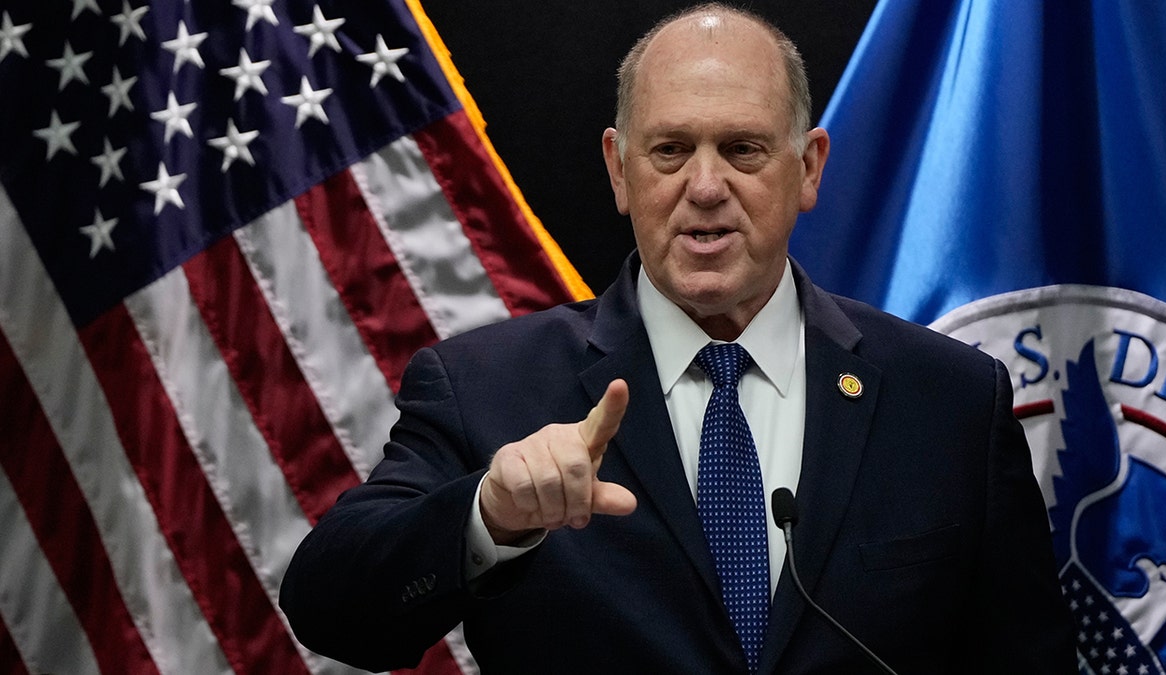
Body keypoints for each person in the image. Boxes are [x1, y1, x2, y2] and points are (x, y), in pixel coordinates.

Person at [280, 4, 1077, 672]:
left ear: (808, 168)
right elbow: (329, 605)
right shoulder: (486, 388)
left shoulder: (949, 398)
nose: (704, 188)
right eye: (669, 150)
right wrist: (489, 513)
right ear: (619, 170)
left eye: (743, 149)